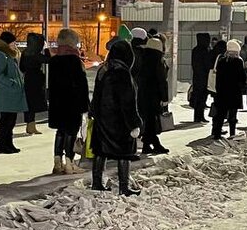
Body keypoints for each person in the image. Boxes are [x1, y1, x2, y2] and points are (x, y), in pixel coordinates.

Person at [88, 41, 142, 196]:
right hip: (119, 121)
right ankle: (124, 187)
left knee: (101, 151)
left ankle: (97, 183)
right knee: (124, 152)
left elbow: (96, 95)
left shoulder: (103, 69)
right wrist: (134, 123)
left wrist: (94, 112)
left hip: (102, 118)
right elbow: (127, 102)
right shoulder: (123, 73)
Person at [47, 28, 89, 174]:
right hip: (73, 102)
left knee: (60, 131)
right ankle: (70, 163)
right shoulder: (75, 60)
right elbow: (81, 85)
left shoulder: (54, 60)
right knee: (71, 131)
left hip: (57, 102)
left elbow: (51, 84)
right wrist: (85, 105)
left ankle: (57, 162)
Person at [0, 31, 27, 153]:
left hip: (12, 93)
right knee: (6, 121)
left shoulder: (10, 55)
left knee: (11, 121)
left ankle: (8, 144)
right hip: (7, 93)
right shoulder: (2, 55)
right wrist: (11, 82)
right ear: (7, 43)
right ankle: (3, 145)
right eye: (13, 42)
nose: (15, 45)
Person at [134, 33, 170, 155]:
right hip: (154, 95)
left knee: (149, 120)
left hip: (142, 94)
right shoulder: (158, 61)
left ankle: (147, 145)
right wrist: (164, 98)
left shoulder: (142, 58)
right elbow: (162, 81)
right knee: (152, 120)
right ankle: (154, 144)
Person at [211, 40, 247, 139]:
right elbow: (242, 77)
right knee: (232, 115)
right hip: (234, 92)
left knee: (220, 114)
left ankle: (217, 134)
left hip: (222, 92)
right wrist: (242, 87)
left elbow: (218, 77)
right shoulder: (238, 62)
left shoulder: (221, 61)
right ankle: (232, 133)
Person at [19, 32, 49, 135]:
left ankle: (30, 125)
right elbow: (49, 60)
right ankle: (31, 126)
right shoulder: (36, 55)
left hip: (28, 79)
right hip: (36, 81)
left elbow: (21, 68)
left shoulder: (25, 53)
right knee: (34, 104)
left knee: (29, 104)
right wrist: (47, 50)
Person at [189, 32, 213, 123]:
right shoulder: (205, 50)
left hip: (197, 77)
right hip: (204, 77)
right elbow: (208, 64)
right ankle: (200, 116)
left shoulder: (195, 50)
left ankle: (197, 116)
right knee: (202, 98)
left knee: (198, 97)